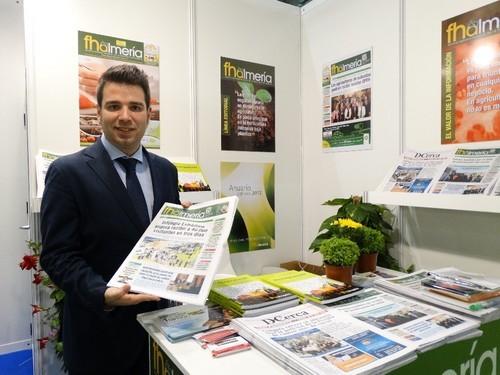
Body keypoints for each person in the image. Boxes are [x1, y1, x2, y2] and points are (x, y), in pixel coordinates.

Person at [40, 64, 183, 374]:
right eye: (114, 106)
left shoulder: (165, 171)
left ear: (148, 112)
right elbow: (57, 254)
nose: (125, 116)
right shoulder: (68, 173)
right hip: (98, 336)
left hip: (159, 331)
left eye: (135, 107)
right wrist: (102, 293)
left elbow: (168, 240)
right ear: (99, 111)